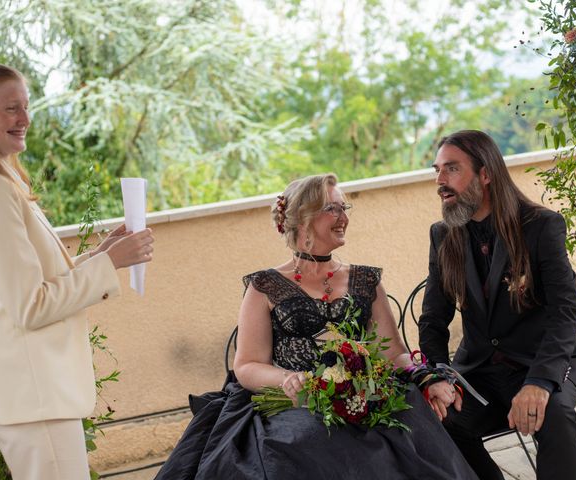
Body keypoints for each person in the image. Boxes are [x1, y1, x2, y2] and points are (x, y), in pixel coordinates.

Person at [155, 173, 478, 480]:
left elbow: (394, 354)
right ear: (303, 219)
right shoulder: (265, 286)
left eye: (344, 207)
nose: (343, 217)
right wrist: (290, 380)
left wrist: (427, 377)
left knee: (410, 431)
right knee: (307, 443)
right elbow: (247, 365)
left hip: (365, 397)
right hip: (291, 404)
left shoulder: (365, 281)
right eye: (331, 208)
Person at [0, 60, 155, 480]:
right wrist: (110, 263)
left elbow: (34, 286)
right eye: (11, 108)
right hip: (31, 395)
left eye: (26, 107)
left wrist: (101, 253)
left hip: (31, 394)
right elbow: (31, 306)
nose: (24, 119)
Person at [418, 130, 576, 480]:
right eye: (437, 170)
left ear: (486, 173)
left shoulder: (541, 226)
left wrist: (539, 383)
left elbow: (566, 310)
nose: (440, 181)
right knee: (435, 418)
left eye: (451, 169)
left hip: (543, 360)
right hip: (480, 369)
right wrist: (438, 374)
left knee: (553, 413)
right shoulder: (443, 234)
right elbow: (433, 318)